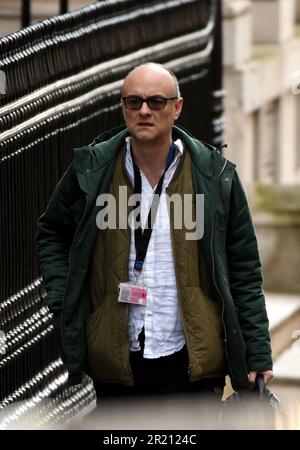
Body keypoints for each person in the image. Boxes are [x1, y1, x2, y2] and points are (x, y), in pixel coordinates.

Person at [36, 63, 273, 400]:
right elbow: (52, 232)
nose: (144, 110)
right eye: (133, 102)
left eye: (156, 102)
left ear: (177, 107)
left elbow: (245, 267)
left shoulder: (213, 175)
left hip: (192, 361)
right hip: (117, 364)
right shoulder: (94, 170)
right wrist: (66, 303)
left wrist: (258, 351)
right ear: (123, 108)